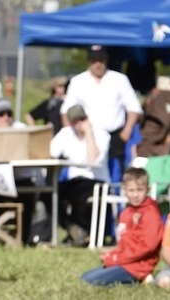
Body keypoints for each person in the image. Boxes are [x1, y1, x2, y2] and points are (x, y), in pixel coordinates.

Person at [61, 44, 142, 177]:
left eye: (101, 60)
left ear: (106, 60)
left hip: (116, 135)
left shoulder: (120, 79)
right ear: (89, 61)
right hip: (90, 136)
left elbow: (134, 107)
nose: (98, 64)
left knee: (116, 173)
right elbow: (66, 111)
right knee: (91, 172)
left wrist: (127, 131)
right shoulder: (78, 81)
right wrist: (71, 133)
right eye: (94, 60)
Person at [81, 167, 162, 286]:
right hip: (125, 262)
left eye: (140, 190)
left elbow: (147, 247)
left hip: (138, 266)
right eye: (131, 190)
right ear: (124, 190)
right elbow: (124, 243)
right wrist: (113, 254)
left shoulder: (150, 213)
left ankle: (140, 280)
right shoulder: (126, 212)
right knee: (84, 277)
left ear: (147, 189)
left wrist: (116, 259)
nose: (135, 195)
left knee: (91, 281)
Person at [50, 105, 111, 247]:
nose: (79, 124)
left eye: (81, 119)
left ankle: (85, 232)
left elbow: (94, 159)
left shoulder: (101, 135)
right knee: (50, 194)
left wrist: (89, 134)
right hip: (73, 180)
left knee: (79, 194)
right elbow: (52, 152)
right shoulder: (66, 133)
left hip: (96, 180)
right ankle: (73, 228)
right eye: (75, 121)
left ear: (87, 118)